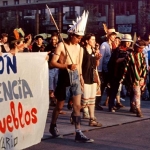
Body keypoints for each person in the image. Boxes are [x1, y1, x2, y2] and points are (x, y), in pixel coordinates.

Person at [49, 11, 94, 143]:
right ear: (72, 35)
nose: (79, 39)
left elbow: (79, 65)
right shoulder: (61, 45)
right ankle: (53, 125)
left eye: (81, 37)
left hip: (75, 77)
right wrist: (66, 66)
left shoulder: (80, 48)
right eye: (78, 37)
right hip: (64, 75)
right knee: (60, 105)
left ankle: (78, 132)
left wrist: (80, 78)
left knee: (77, 106)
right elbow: (52, 63)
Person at [120, 40, 147, 117]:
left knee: (137, 93)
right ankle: (138, 110)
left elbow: (144, 67)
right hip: (133, 78)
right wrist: (123, 78)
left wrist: (143, 77)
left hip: (141, 78)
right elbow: (126, 67)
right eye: (140, 48)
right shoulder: (130, 56)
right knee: (137, 93)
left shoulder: (142, 55)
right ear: (136, 47)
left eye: (142, 48)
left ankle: (132, 106)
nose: (141, 50)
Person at [80, 33, 102, 127]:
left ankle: (92, 119)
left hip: (92, 76)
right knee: (84, 101)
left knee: (92, 100)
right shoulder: (82, 50)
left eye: (94, 39)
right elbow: (79, 64)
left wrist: (97, 59)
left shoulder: (94, 50)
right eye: (92, 39)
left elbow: (96, 65)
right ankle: (75, 112)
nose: (94, 41)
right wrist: (81, 77)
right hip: (85, 76)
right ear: (87, 41)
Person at [108, 34, 133, 112]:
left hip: (127, 73)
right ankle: (111, 105)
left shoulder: (130, 50)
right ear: (123, 42)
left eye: (129, 42)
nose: (128, 43)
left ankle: (133, 107)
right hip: (117, 72)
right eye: (127, 42)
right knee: (114, 89)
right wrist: (125, 57)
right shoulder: (118, 50)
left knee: (132, 89)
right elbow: (116, 60)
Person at [97, 29, 117, 108]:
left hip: (110, 69)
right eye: (112, 35)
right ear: (108, 36)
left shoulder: (112, 45)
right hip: (105, 69)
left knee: (110, 86)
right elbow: (101, 58)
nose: (114, 37)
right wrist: (100, 70)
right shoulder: (104, 45)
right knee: (102, 86)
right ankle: (97, 102)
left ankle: (110, 102)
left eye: (114, 35)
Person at [45, 33, 59, 107]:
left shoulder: (59, 46)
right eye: (52, 39)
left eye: (55, 39)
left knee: (57, 85)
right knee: (50, 86)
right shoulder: (48, 47)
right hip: (50, 68)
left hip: (58, 68)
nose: (53, 41)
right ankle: (51, 99)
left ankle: (56, 100)